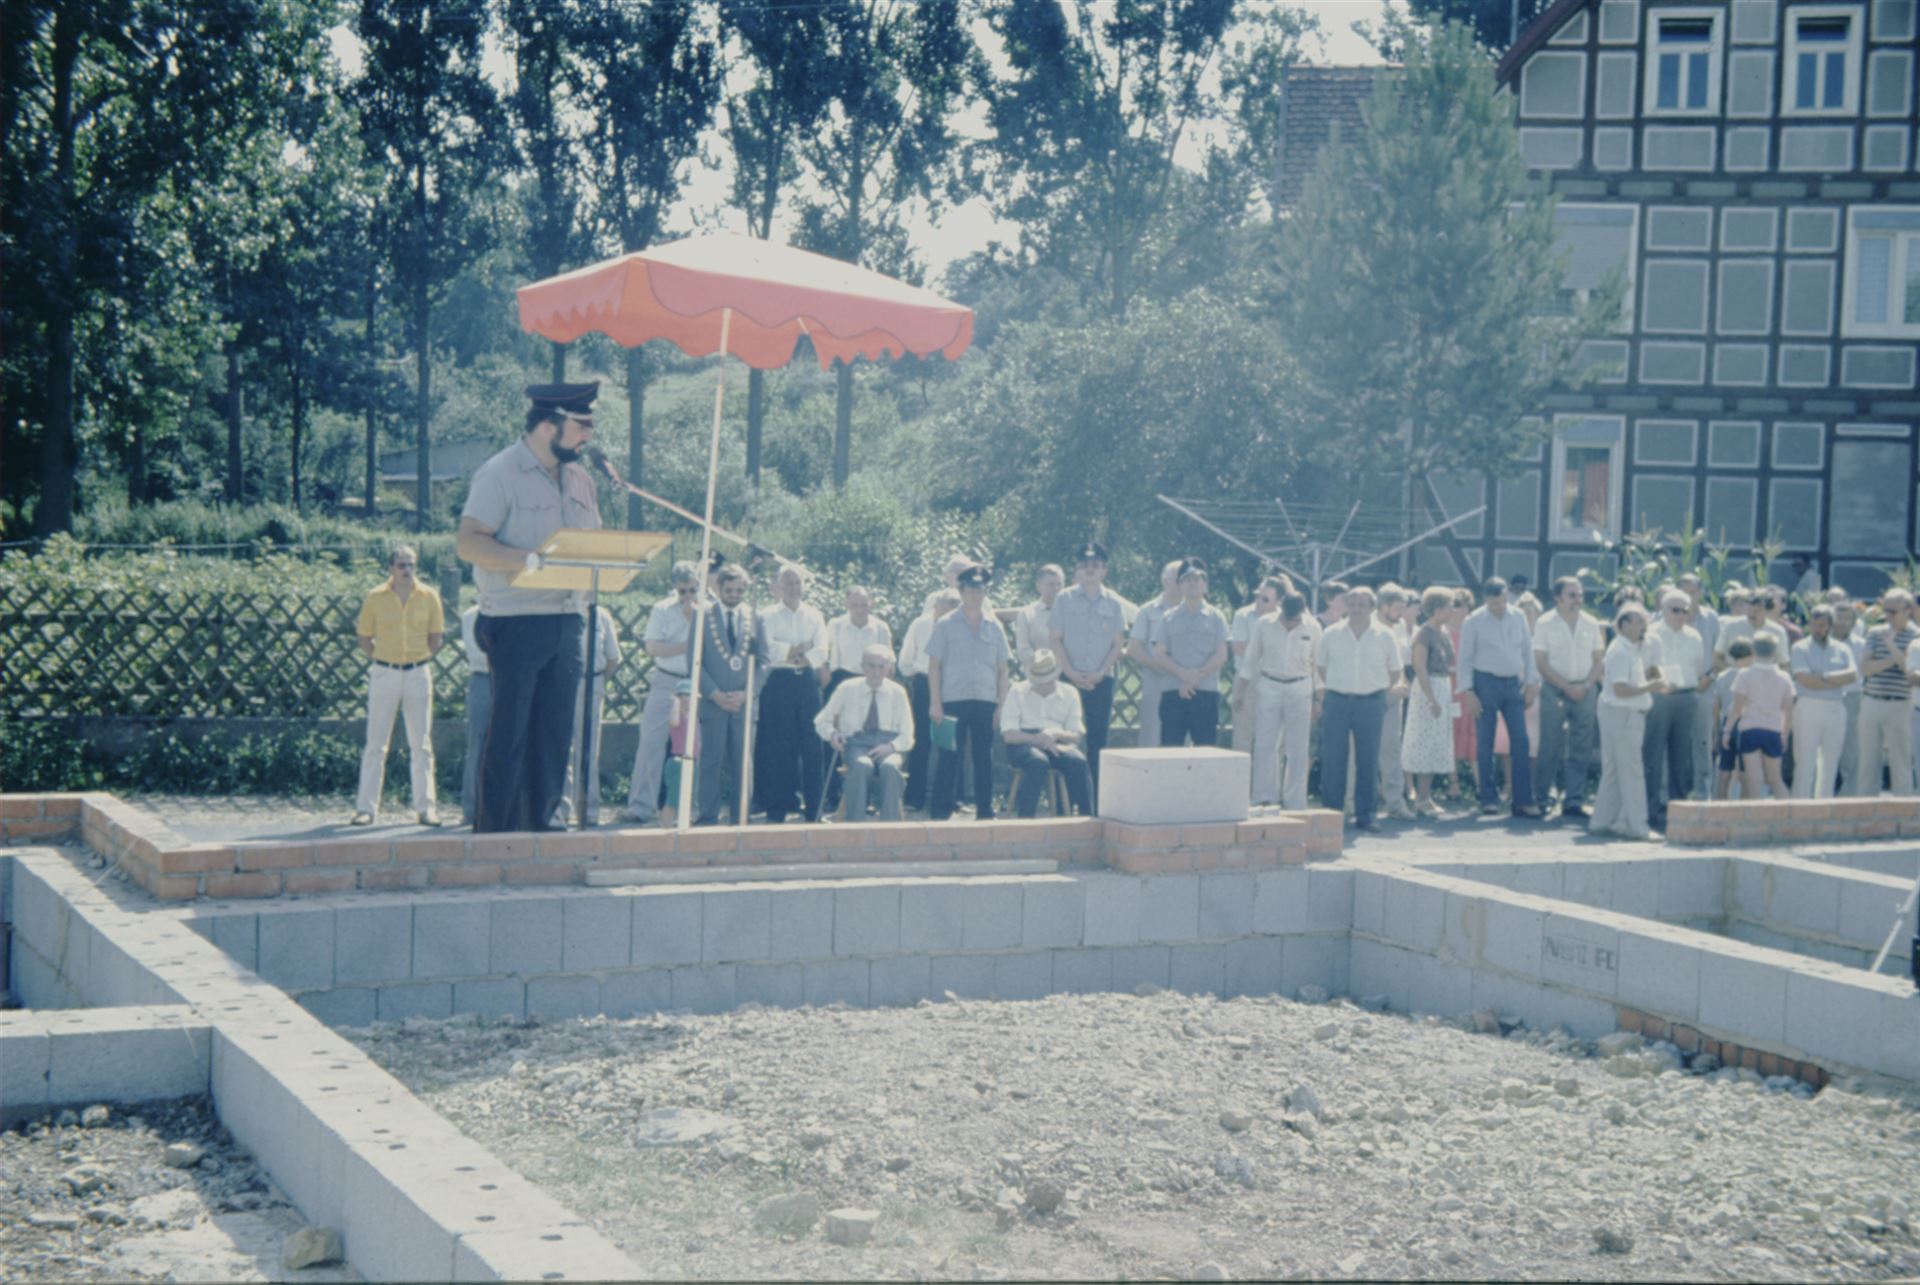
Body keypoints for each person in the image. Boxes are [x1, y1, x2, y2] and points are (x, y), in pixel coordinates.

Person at [456, 381, 602, 833]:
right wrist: (529, 562)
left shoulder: (580, 478)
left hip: (568, 619)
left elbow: (591, 540)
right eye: (582, 425)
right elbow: (468, 542)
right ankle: (495, 834)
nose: (588, 436)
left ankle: (545, 827)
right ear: (546, 425)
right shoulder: (499, 473)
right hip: (515, 621)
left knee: (556, 733)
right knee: (510, 733)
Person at [351, 544, 445, 827]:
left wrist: (417, 660)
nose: (407, 570)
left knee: (422, 744)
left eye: (411, 564)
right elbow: (365, 638)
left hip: (418, 673)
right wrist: (385, 660)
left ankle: (426, 808)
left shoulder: (430, 596)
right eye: (401, 565)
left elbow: (436, 638)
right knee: (376, 744)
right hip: (384, 673)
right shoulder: (375, 597)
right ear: (390, 568)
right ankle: (365, 809)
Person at [1315, 585, 1401, 832]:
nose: (1356, 609)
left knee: (1368, 760)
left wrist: (1374, 688)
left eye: (1362, 604)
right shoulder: (1331, 633)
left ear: (1372, 607)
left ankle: (1366, 815)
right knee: (1333, 759)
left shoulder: (1385, 635)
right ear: (1346, 606)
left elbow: (1394, 671)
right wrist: (1341, 685)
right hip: (1337, 701)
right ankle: (1332, 815)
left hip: (1371, 703)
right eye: (1352, 604)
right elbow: (1321, 667)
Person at [928, 565, 1011, 821]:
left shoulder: (995, 626)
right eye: (970, 590)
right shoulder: (945, 624)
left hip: (985, 701)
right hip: (952, 700)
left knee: (983, 757)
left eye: (980, 590)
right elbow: (934, 666)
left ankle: (985, 810)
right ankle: (941, 811)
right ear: (961, 590)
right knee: (949, 756)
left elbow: (1003, 669)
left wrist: (1001, 705)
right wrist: (935, 703)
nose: (975, 595)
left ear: (986, 592)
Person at [624, 561, 701, 825]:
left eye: (692, 590)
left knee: (695, 745)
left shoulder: (708, 610)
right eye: (683, 592)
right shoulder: (662, 609)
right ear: (674, 589)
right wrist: (686, 645)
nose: (688, 597)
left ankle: (691, 807)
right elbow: (653, 647)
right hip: (667, 680)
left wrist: (694, 622)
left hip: (695, 682)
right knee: (651, 741)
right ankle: (640, 806)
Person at [1051, 541, 1129, 805]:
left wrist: (1100, 672)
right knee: (1065, 740)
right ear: (1077, 569)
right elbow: (1055, 640)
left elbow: (1118, 644)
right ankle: (1066, 803)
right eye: (1084, 566)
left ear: (1104, 570)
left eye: (1095, 565)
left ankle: (1096, 803)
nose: (1089, 570)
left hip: (1101, 680)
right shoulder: (1064, 599)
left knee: (1098, 742)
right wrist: (1070, 672)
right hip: (1068, 679)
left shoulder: (1115, 602)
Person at [1458, 577, 1542, 818]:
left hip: (1513, 682)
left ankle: (1523, 800)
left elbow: (1527, 650)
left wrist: (1531, 683)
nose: (1499, 607)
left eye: (1502, 602)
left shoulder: (1518, 617)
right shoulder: (1473, 621)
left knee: (1521, 741)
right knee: (1485, 742)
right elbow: (1464, 658)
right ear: (1485, 599)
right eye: (1494, 603)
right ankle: (1488, 798)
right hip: (1485, 683)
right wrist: (1469, 692)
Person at [756, 564, 829, 824]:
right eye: (788, 583)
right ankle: (777, 810)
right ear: (777, 587)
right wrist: (797, 649)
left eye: (797, 583)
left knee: (813, 747)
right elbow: (768, 650)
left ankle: (814, 811)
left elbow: (821, 651)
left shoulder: (815, 615)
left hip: (807, 683)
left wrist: (796, 655)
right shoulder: (766, 615)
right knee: (779, 747)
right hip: (778, 684)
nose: (793, 588)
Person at [694, 564, 764, 825]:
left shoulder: (755, 617)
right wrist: (714, 694)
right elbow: (694, 661)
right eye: (729, 589)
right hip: (714, 703)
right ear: (719, 588)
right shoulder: (704, 616)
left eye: (739, 590)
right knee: (711, 759)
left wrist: (748, 692)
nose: (734, 594)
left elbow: (764, 661)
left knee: (742, 761)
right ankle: (708, 814)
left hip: (744, 704)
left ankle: (741, 815)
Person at [813, 643, 914, 822]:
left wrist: (891, 746)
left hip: (888, 744)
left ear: (889, 669)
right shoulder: (847, 688)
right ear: (862, 667)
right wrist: (832, 734)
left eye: (881, 667)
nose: (876, 672)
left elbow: (908, 735)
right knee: (862, 765)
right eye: (871, 666)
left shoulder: (898, 693)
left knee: (890, 767)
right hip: (856, 743)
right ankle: (855, 826)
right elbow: (822, 720)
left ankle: (890, 829)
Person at [1590, 604, 1665, 840]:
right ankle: (1638, 827)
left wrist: (1649, 679)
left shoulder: (1628, 648)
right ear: (1624, 624)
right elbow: (1620, 689)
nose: (1643, 626)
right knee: (1632, 771)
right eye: (1638, 621)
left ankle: (1602, 821)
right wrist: (1651, 687)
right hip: (1623, 714)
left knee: (1613, 770)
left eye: (1643, 621)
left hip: (1617, 712)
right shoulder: (1621, 650)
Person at [1532, 576, 1603, 821]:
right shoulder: (1545, 623)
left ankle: (1573, 800)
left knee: (1581, 746)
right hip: (1554, 689)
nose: (1578, 600)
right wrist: (1564, 686)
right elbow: (1540, 662)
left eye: (1580, 595)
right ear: (1558, 598)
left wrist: (1585, 685)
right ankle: (1543, 798)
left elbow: (1598, 660)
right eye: (1572, 595)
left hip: (1585, 689)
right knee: (1550, 745)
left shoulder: (1591, 623)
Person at [1244, 592, 1320, 809]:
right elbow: (1251, 658)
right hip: (1269, 684)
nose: (1291, 622)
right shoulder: (1264, 624)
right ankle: (1263, 796)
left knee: (1298, 747)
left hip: (1300, 686)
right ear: (1281, 609)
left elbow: (1318, 664)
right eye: (1288, 617)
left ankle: (1295, 799)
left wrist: (1318, 698)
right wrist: (1241, 691)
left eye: (1295, 618)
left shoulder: (1312, 627)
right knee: (1266, 743)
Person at [821, 585, 893, 814]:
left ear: (871, 603)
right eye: (854, 605)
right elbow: (826, 657)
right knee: (838, 740)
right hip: (842, 682)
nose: (859, 609)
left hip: (872, 682)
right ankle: (833, 795)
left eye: (864, 604)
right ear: (846, 605)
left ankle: (868, 798)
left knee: (870, 737)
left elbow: (889, 663)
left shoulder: (881, 628)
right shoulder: (835, 625)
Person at [1000, 648, 1093, 817]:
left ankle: (1086, 821)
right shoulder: (1017, 691)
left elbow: (1077, 735)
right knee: (1038, 762)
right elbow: (1009, 735)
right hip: (1024, 740)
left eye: (1047, 681)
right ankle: (1025, 822)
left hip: (1057, 740)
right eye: (1038, 681)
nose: (1043, 685)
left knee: (1078, 761)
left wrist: (1055, 734)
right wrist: (1037, 739)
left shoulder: (1070, 693)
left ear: (1056, 676)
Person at [1150, 559, 1230, 746]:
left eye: (1198, 579)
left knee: (1205, 751)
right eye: (1187, 579)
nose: (1193, 583)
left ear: (1205, 585)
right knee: (1171, 751)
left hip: (1205, 693)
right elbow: (1159, 653)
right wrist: (1183, 674)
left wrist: (1196, 676)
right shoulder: (1167, 618)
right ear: (1179, 585)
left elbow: (1221, 654)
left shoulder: (1217, 617)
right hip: (1174, 692)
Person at [1644, 591, 1707, 828]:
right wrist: (1660, 683)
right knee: (1653, 753)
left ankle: (1679, 809)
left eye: (1685, 610)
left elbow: (1697, 667)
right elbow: (1646, 666)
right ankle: (1650, 808)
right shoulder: (1651, 634)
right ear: (1663, 608)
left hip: (1686, 695)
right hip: (1659, 697)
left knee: (1682, 755)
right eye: (1675, 610)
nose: (1681, 615)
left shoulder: (1694, 636)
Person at [557, 604, 621, 826]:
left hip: (592, 682)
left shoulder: (601, 615)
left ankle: (589, 809)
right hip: (563, 682)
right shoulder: (561, 610)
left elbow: (613, 658)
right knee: (562, 746)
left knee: (589, 748)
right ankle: (561, 809)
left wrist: (597, 681)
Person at [898, 589, 958, 813]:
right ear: (934, 607)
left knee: (947, 743)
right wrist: (915, 678)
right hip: (923, 685)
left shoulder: (959, 626)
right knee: (920, 742)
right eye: (940, 608)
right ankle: (914, 798)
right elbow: (905, 659)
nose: (943, 614)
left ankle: (946, 802)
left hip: (950, 687)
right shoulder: (920, 625)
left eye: (950, 610)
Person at [1789, 605, 1858, 799]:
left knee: (1830, 762)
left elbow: (1852, 675)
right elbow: (1805, 680)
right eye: (1815, 624)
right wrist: (1834, 681)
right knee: (1805, 760)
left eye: (1823, 625)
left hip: (1835, 708)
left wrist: (1823, 677)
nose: (1818, 629)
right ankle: (1800, 805)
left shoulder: (1842, 649)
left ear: (1830, 626)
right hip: (1808, 706)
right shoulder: (1800, 647)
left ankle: (1824, 805)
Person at [1401, 586, 1459, 818]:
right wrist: (1431, 699)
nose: (1452, 610)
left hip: (1442, 686)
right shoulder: (1424, 634)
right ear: (1436, 609)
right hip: (1428, 690)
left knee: (1436, 743)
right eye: (1448, 606)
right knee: (1424, 742)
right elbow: (1420, 667)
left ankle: (1426, 795)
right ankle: (1420, 798)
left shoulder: (1442, 632)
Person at [1856, 589, 1918, 796]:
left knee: (1900, 760)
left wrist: (1891, 647)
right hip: (1872, 700)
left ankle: (1904, 811)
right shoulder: (1875, 632)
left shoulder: (1916, 636)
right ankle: (1865, 810)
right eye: (1886, 610)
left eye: (1893, 611)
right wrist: (1894, 659)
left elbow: (1908, 670)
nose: (1888, 616)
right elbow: (1865, 668)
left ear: (1907, 611)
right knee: (1868, 760)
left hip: (1900, 703)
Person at [1727, 637, 1794, 799]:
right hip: (1773, 730)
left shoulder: (1744, 675)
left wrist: (1727, 730)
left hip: (1750, 730)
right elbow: (1788, 711)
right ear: (1774, 652)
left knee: (1754, 781)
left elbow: (1737, 708)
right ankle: (1790, 815)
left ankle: (1758, 820)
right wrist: (1784, 734)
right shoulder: (1784, 677)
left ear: (1753, 651)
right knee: (1775, 780)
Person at [1129, 560, 1184, 751]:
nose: (1184, 583)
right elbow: (1134, 647)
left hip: (1186, 682)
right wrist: (1157, 666)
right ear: (1166, 581)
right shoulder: (1148, 610)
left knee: (1184, 736)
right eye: (1179, 579)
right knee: (1151, 733)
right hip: (1156, 681)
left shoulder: (1197, 610)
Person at [1229, 577, 1285, 755]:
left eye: (1265, 599)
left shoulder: (1286, 619)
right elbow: (1238, 647)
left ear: (1279, 601)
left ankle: (1267, 783)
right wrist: (1272, 651)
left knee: (1273, 738)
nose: (1259, 601)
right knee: (1242, 736)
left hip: (1275, 683)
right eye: (1257, 596)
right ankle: (1240, 781)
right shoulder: (1242, 615)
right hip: (1247, 680)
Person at [1676, 573, 1720, 798]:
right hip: (1675, 690)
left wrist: (1710, 677)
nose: (1689, 597)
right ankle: (1669, 795)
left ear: (1700, 593)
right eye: (1684, 591)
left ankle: (1703, 794)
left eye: (1693, 592)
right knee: (1673, 744)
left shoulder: (1711, 619)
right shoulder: (1668, 616)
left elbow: (1719, 654)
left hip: (1704, 687)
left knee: (1702, 744)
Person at [1373, 585, 1415, 820]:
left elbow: (1403, 660)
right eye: (1397, 608)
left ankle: (1395, 804)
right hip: (1371, 693)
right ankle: (1358, 803)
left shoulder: (1399, 626)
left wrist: (1405, 682)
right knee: (1362, 751)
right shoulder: (1368, 625)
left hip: (1395, 695)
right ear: (1383, 606)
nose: (1401, 613)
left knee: (1391, 750)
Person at [1712, 639, 1756, 799]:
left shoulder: (1723, 676)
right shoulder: (1752, 675)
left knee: (1725, 771)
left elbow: (1716, 706)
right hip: (1746, 723)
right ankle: (1744, 810)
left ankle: (1720, 805)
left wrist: (1716, 732)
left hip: (1726, 724)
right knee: (1745, 771)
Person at [458, 603, 488, 827]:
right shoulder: (471, 615)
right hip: (483, 679)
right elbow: (477, 652)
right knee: (477, 743)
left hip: (508, 680)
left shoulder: (508, 610)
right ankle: (470, 808)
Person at [1833, 600, 1867, 794]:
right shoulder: (1819, 641)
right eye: (1839, 617)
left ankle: (1849, 795)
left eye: (1847, 618)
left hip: (1852, 698)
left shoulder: (1861, 645)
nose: (1843, 622)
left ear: (1854, 622)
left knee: (1851, 750)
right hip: (1824, 697)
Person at [1013, 565, 1065, 674]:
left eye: (1059, 584)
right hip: (1038, 675)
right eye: (1051, 584)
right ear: (1038, 586)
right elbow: (1023, 650)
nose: (1056, 588)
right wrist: (1043, 666)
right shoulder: (1027, 614)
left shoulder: (1072, 613)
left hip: (1069, 675)